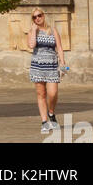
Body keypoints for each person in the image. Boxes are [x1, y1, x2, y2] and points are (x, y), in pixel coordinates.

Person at [28, 7, 66, 135]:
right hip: (37, 67)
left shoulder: (52, 30)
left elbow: (59, 48)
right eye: (34, 17)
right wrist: (33, 30)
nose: (37, 18)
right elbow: (31, 45)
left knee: (53, 94)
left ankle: (51, 113)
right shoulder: (33, 31)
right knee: (41, 94)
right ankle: (44, 122)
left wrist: (63, 63)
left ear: (44, 16)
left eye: (39, 15)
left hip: (51, 67)